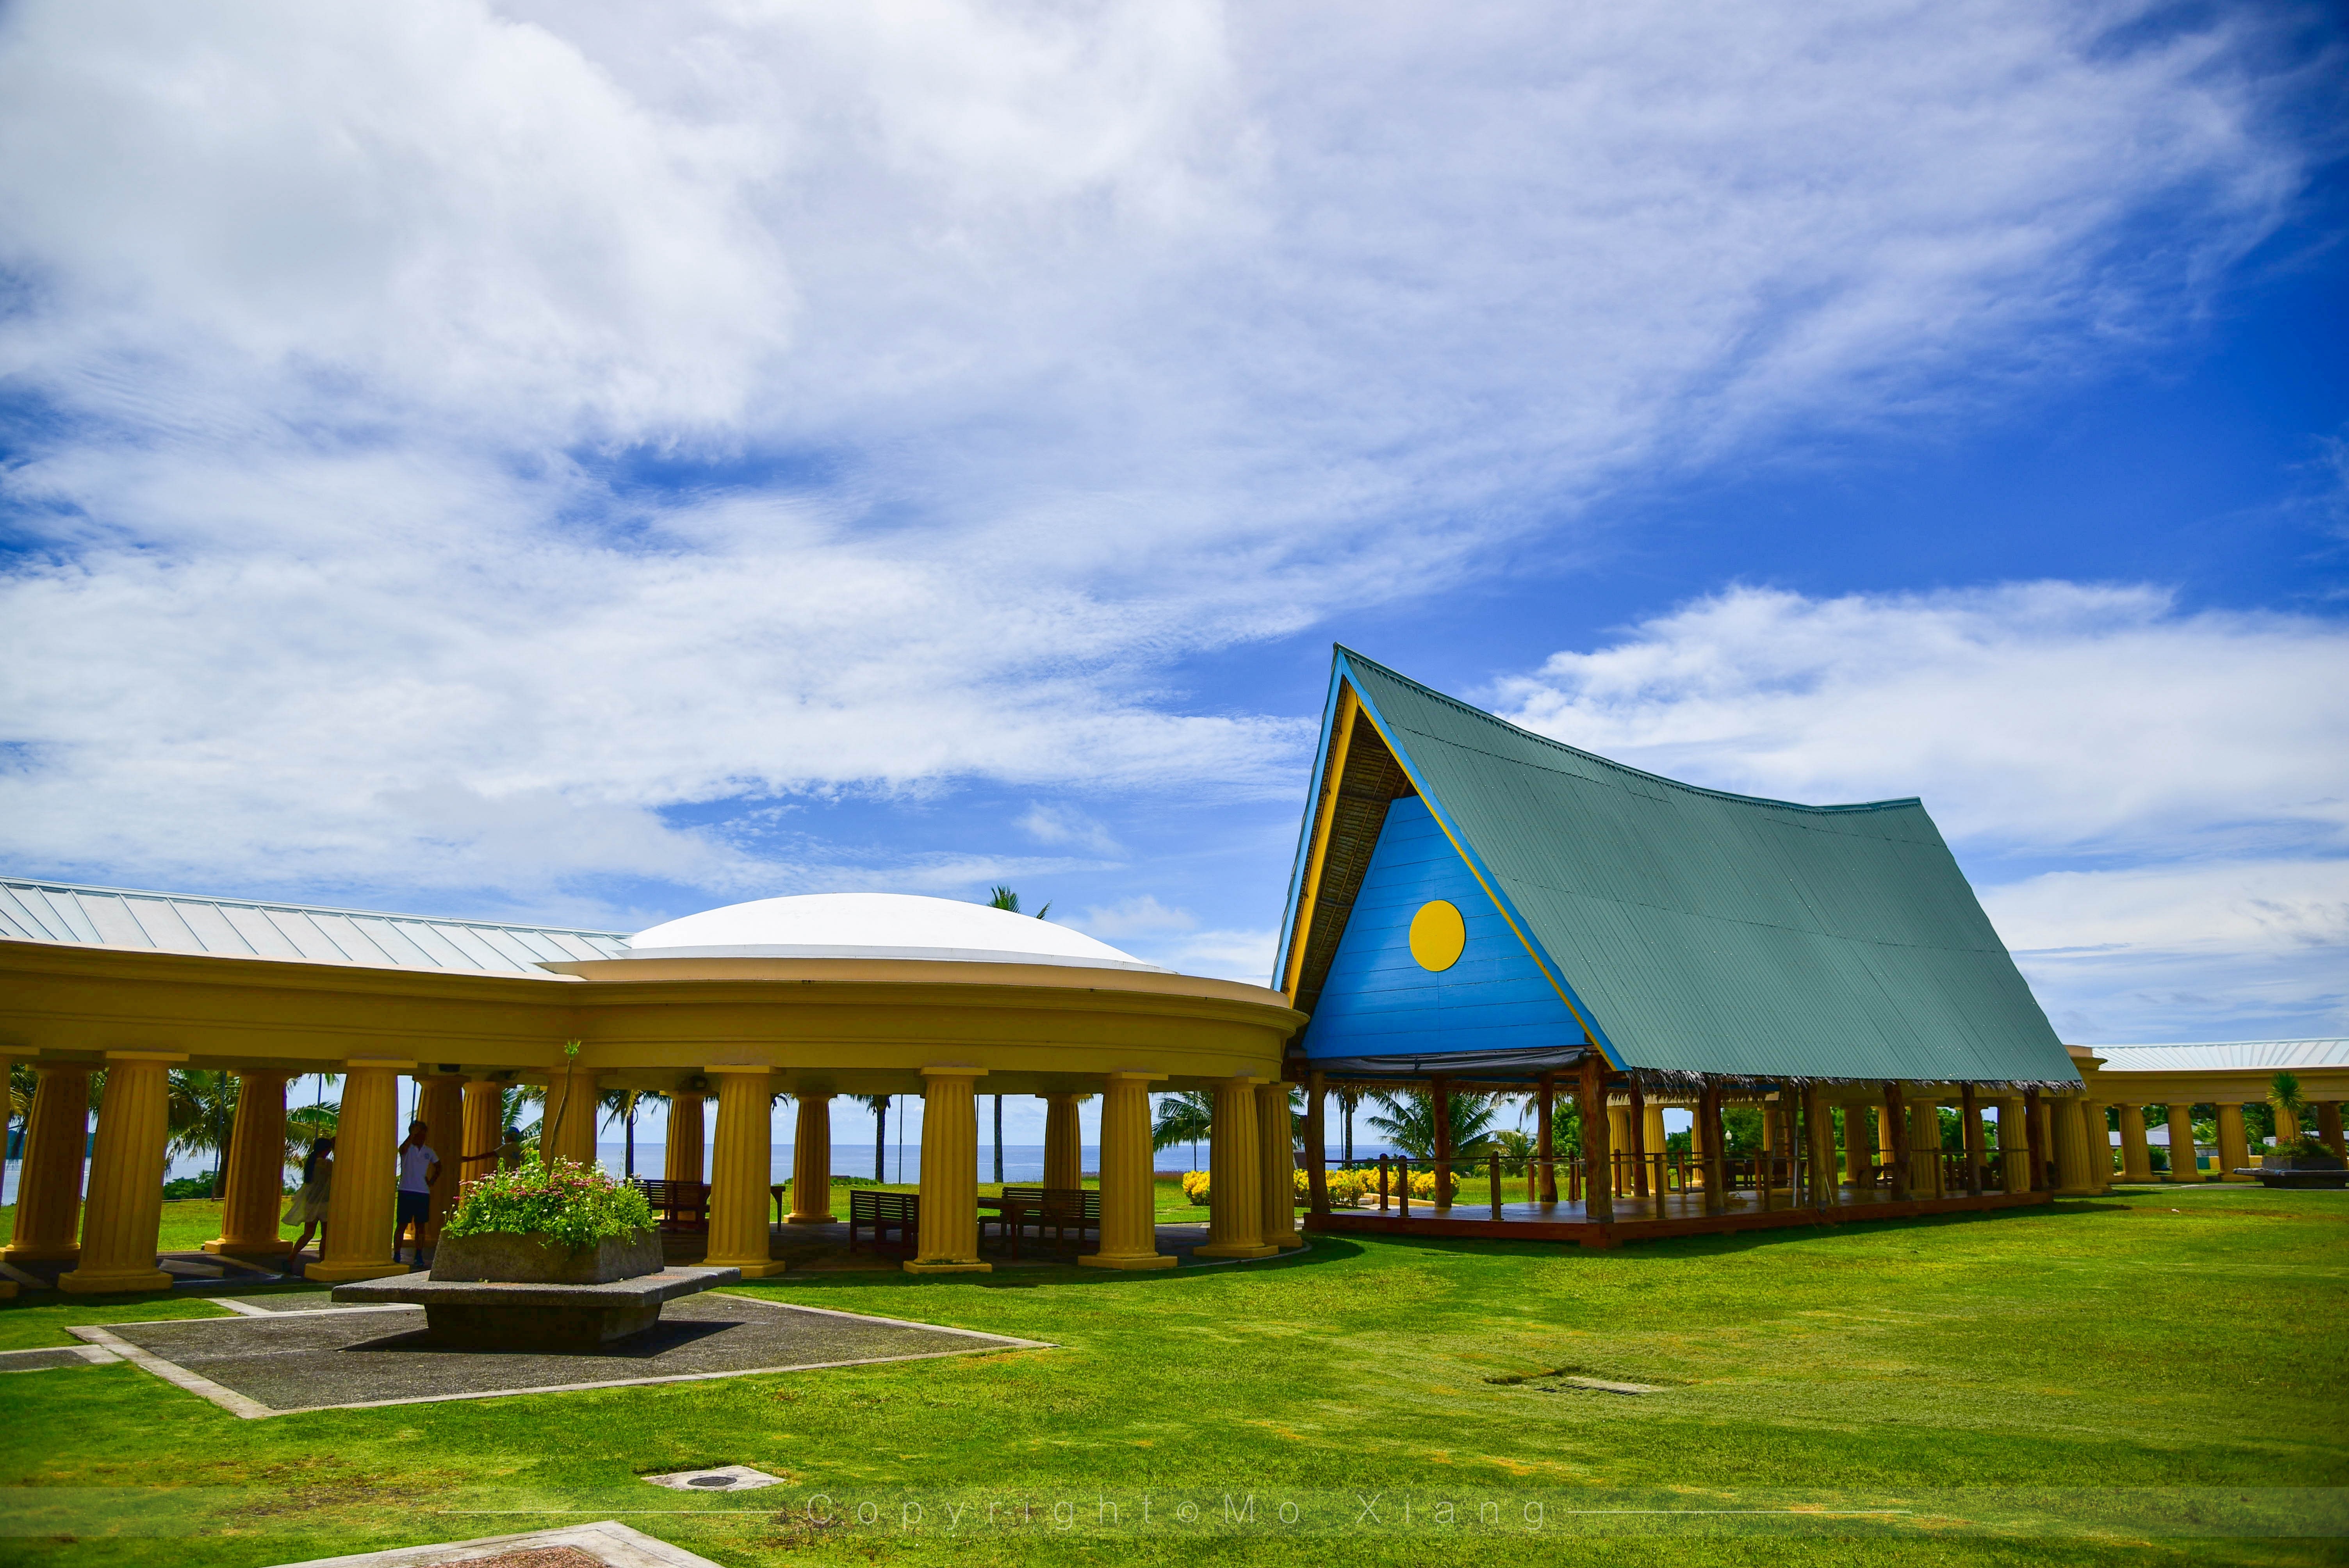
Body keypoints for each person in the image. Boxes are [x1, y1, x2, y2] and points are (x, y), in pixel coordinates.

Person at [393, 1119, 440, 1267]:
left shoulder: (429, 1151)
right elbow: (402, 1150)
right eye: (419, 1134)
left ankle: (419, 1255)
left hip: (423, 1193)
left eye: (423, 1134)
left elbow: (439, 1166)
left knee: (421, 1226)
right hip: (406, 1191)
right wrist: (412, 1135)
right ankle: (397, 1255)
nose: (422, 1137)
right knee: (401, 1224)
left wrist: (432, 1181)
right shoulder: (408, 1148)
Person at [284, 1134, 334, 1266]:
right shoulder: (326, 1164)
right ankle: (322, 1260)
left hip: (310, 1203)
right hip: (324, 1203)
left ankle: (292, 1257)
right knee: (326, 1235)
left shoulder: (312, 1163)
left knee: (308, 1234)